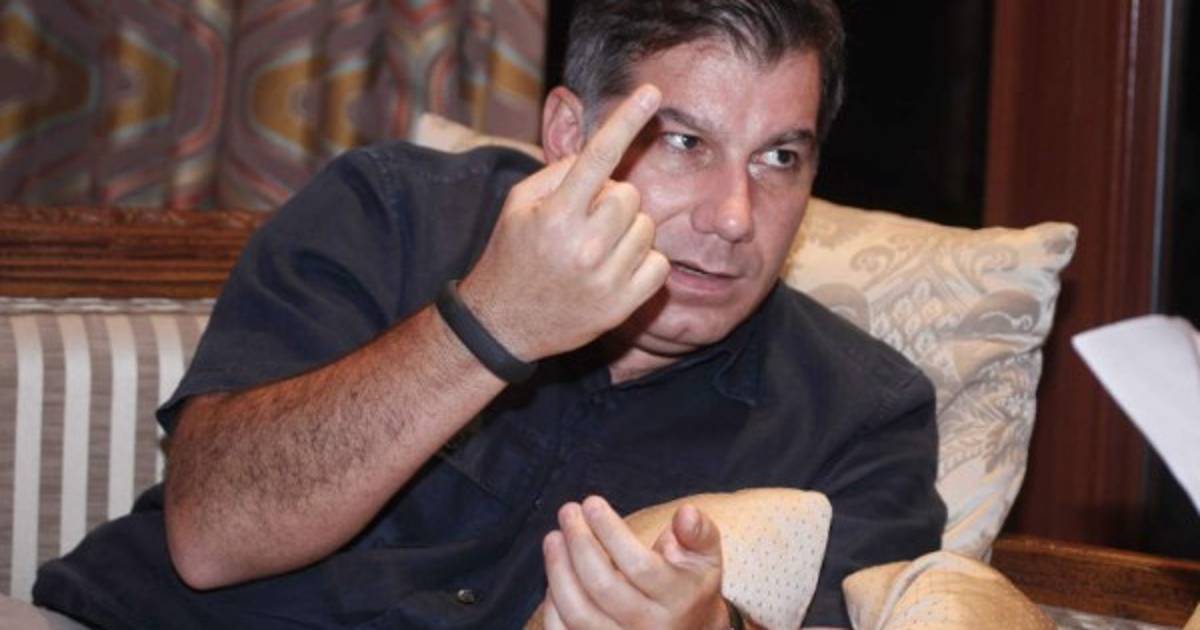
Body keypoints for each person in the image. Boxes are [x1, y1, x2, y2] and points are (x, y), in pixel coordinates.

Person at [32, 1, 945, 628]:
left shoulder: (860, 413)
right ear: (569, 135)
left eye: (779, 158)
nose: (735, 217)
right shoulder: (392, 213)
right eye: (683, 142)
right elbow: (210, 535)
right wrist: (491, 326)